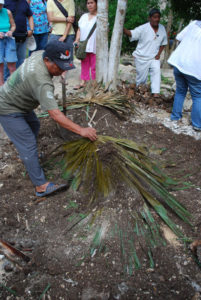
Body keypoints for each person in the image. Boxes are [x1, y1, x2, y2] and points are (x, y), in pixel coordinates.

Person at [0, 41, 97, 197]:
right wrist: (81, 130)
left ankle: (27, 157)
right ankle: (41, 186)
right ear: (47, 60)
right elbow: (55, 115)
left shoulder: (40, 54)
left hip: (19, 101)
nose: (61, 70)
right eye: (58, 66)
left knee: (34, 125)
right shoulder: (42, 81)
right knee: (28, 143)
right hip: (8, 108)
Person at [123, 8, 167, 97]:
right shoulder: (143, 28)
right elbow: (131, 33)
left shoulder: (162, 28)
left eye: (158, 17)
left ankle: (156, 94)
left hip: (153, 58)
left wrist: (158, 54)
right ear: (149, 18)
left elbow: (164, 42)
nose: (157, 19)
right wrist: (121, 27)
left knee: (156, 72)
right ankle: (139, 94)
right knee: (141, 80)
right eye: (154, 17)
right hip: (141, 57)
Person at [168, 21, 201, 131]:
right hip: (194, 68)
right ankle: (197, 125)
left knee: (180, 91)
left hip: (179, 62)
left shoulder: (194, 23)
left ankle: (175, 117)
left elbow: (178, 38)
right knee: (197, 96)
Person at [74, 0, 97, 89]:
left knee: (94, 65)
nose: (90, 5)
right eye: (88, 3)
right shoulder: (83, 16)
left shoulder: (100, 17)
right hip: (84, 44)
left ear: (96, 4)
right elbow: (79, 30)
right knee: (84, 63)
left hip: (95, 44)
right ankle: (83, 81)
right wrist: (77, 40)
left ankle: (94, 83)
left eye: (92, 3)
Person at [4, 0, 34, 69]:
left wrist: (31, 29)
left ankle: (18, 78)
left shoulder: (24, 2)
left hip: (23, 36)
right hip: (9, 37)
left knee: (21, 61)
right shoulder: (5, 2)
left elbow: (30, 16)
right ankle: (7, 79)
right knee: (8, 62)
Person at [0, 0, 17, 85]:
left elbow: (13, 25)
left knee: (12, 63)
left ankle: (12, 86)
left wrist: (11, 31)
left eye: (1, 5)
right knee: (0, 65)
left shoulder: (7, 11)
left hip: (8, 38)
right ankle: (1, 87)